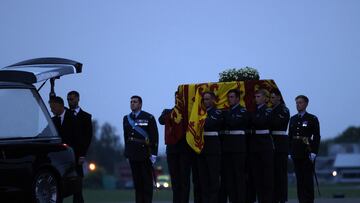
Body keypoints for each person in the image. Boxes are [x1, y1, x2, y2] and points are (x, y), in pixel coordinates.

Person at [123, 95, 159, 203]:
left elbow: (154, 136)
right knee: (137, 182)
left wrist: (154, 154)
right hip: (133, 154)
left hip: (145, 154)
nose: (132, 103)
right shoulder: (126, 118)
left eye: (135, 102)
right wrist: (127, 152)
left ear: (140, 104)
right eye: (131, 102)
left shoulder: (149, 117)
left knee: (147, 183)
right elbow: (126, 137)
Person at [158, 91, 192, 203]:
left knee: (184, 180)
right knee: (175, 180)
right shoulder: (168, 111)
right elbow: (161, 120)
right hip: (172, 150)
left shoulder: (188, 112)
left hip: (185, 150)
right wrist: (173, 114)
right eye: (177, 97)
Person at [219, 89, 250, 203]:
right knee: (229, 177)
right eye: (229, 97)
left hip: (238, 148)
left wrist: (225, 116)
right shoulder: (227, 111)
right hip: (227, 148)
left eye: (232, 97)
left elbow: (233, 123)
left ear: (238, 98)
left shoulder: (242, 111)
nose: (229, 99)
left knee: (239, 177)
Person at [289, 95, 320, 203]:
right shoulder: (293, 119)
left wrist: (314, 152)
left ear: (306, 104)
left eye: (300, 102)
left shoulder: (312, 118)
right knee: (299, 179)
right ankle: (301, 200)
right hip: (296, 152)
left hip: (307, 152)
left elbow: (316, 136)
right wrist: (289, 151)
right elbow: (290, 136)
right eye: (297, 103)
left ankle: (309, 200)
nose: (298, 105)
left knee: (307, 180)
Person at [67, 91, 93, 203]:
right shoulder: (65, 114)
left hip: (78, 154)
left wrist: (83, 154)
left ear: (78, 99)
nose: (70, 101)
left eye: (72, 99)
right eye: (68, 99)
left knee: (77, 183)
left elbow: (88, 137)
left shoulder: (86, 117)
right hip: (66, 153)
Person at [197, 91, 223, 203]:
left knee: (213, 177)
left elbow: (209, 123)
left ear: (213, 100)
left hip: (213, 148)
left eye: (208, 99)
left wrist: (200, 120)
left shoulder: (217, 112)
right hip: (202, 148)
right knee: (203, 178)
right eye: (204, 99)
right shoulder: (200, 112)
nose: (205, 101)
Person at [249, 89, 274, 203]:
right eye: (256, 96)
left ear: (265, 98)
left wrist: (254, 120)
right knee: (257, 176)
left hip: (265, 145)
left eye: (258, 96)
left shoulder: (268, 110)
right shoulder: (254, 111)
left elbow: (262, 122)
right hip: (255, 146)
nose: (256, 98)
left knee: (267, 176)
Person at [270, 90, 290, 203]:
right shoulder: (272, 110)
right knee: (273, 173)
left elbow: (277, 123)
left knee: (281, 173)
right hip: (272, 142)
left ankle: (282, 198)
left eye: (273, 97)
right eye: (270, 98)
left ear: (279, 98)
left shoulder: (284, 109)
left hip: (281, 143)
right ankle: (274, 197)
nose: (271, 100)